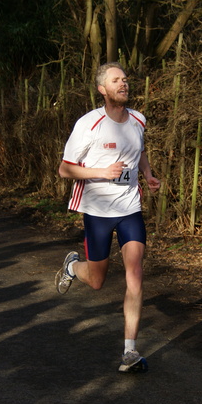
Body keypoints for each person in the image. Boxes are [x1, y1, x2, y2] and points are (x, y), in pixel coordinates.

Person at [56, 62, 160, 372]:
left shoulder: (138, 120)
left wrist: (149, 174)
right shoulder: (89, 124)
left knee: (135, 273)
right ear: (103, 89)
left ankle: (129, 351)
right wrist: (100, 172)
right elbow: (65, 169)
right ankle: (74, 266)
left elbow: (139, 151)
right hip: (98, 212)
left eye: (125, 79)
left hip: (129, 209)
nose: (123, 84)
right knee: (98, 280)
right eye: (116, 81)